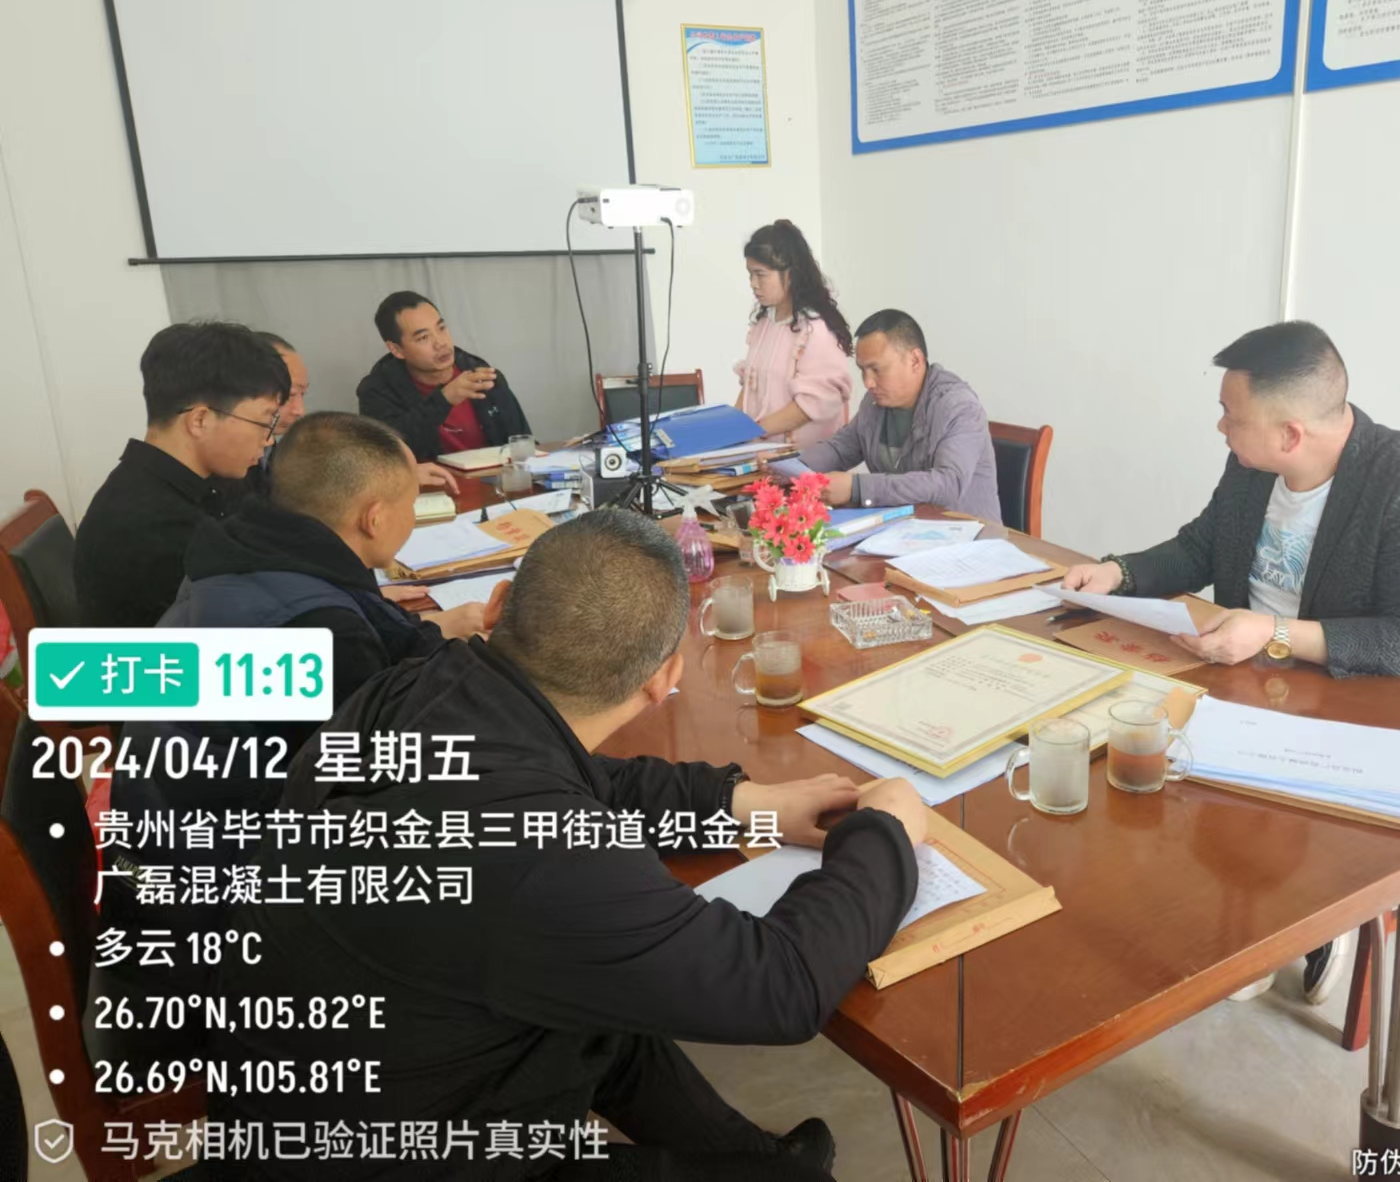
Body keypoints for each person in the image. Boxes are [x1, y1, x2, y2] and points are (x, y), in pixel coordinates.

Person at [207, 509, 925, 1180]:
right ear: (664, 680)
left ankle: (756, 1156)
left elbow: (578, 778)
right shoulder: (541, 860)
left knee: (612, 1006)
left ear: (497, 606)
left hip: (322, 1073)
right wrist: (885, 831)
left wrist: (739, 802)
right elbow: (779, 987)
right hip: (389, 1153)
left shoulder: (421, 687)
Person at [1063, 319, 1400, 1004]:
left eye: (1232, 414)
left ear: (1290, 434)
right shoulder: (1251, 467)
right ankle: (1242, 905)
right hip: (1243, 681)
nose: (1220, 426)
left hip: (1356, 702)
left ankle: (1320, 908)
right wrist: (1119, 571)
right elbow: (1200, 546)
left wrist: (1276, 632)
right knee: (1122, 746)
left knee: (1227, 780)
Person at [86, 412, 500, 1067]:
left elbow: (374, 639)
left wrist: (443, 639)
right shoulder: (318, 630)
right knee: (516, 903)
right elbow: (388, 795)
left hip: (178, 894)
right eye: (409, 503)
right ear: (373, 518)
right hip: (226, 951)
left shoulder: (248, 554)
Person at [75, 321, 289, 628]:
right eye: (265, 422)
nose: (268, 440)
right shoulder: (152, 529)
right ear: (200, 420)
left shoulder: (197, 482)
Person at [798, 309, 1002, 522]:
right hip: (903, 530)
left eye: (876, 370)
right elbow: (841, 449)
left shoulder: (958, 406)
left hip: (965, 535)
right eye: (862, 370)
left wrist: (857, 488)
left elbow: (948, 484)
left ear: (915, 360)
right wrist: (793, 470)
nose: (868, 382)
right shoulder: (874, 403)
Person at [241, 330, 460, 495]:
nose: (300, 411)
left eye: (303, 395)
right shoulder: (237, 460)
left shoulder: (271, 449)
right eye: (289, 396)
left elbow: (312, 485)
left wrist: (394, 476)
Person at [358, 290, 531, 462]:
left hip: (494, 478)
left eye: (441, 328)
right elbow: (387, 457)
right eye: (423, 337)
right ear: (397, 350)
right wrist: (444, 399)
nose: (440, 343)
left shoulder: (483, 375)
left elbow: (524, 445)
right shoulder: (377, 391)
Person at [733, 220, 853, 449]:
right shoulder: (764, 324)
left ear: (790, 274)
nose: (753, 284)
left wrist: (754, 432)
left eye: (760, 274)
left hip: (803, 462)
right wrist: (730, 431)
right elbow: (749, 387)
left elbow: (813, 404)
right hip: (761, 454)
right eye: (750, 274)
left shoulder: (815, 329)